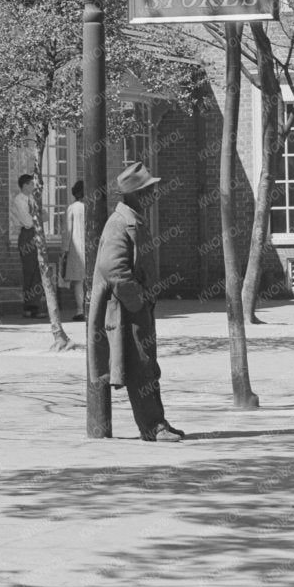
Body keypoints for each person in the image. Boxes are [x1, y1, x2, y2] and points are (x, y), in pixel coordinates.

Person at [90, 161, 185, 442]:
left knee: (148, 366)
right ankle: (152, 427)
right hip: (126, 310)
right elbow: (113, 268)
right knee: (140, 368)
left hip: (136, 307)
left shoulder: (132, 219)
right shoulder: (120, 223)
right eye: (148, 190)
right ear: (134, 194)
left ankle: (158, 422)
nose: (153, 195)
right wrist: (138, 301)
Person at [12, 172, 45, 320]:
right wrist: (38, 216)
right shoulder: (19, 200)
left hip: (37, 234)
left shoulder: (33, 199)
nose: (34, 186)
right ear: (25, 185)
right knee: (29, 271)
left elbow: (46, 215)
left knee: (38, 271)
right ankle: (28, 306)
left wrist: (37, 216)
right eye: (31, 184)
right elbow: (27, 221)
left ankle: (35, 306)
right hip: (27, 235)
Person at [63, 179, 89, 319]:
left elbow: (67, 231)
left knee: (78, 281)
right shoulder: (91, 206)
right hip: (91, 247)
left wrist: (64, 249)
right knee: (91, 280)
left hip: (76, 248)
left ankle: (80, 311)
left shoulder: (72, 208)